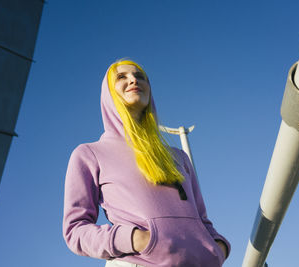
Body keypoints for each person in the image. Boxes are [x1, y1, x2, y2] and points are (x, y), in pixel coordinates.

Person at [63, 59, 230, 267]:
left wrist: (218, 247)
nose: (133, 79)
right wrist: (136, 239)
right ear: (108, 92)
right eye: (122, 77)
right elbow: (75, 230)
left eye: (140, 76)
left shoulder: (179, 157)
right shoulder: (89, 154)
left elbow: (202, 219)